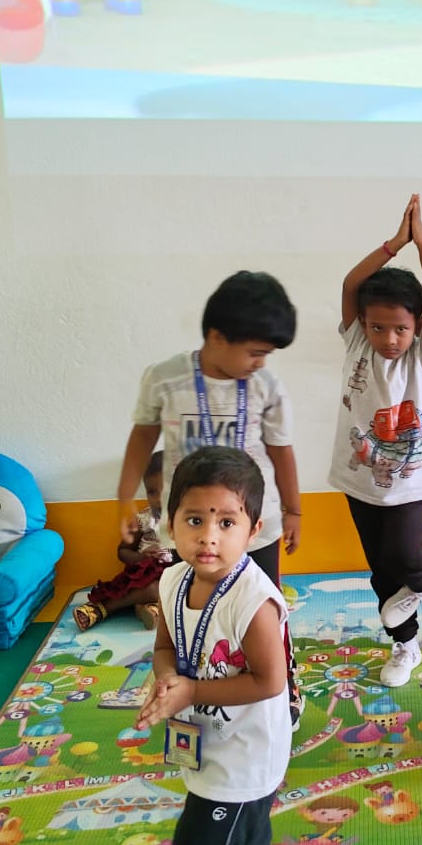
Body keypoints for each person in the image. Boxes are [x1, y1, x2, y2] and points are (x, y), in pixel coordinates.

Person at [115, 270, 303, 724]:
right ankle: (196, 683)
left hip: (252, 531)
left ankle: (283, 687)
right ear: (217, 336)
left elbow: (281, 450)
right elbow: (142, 438)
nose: (261, 362)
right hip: (191, 528)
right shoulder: (165, 379)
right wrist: (123, 500)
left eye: (267, 354)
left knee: (264, 612)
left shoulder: (265, 387)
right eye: (255, 352)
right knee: (190, 608)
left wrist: (294, 508)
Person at [136, 447, 293, 845]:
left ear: (253, 531)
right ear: (171, 524)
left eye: (227, 522)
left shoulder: (253, 602)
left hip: (245, 755)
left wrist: (193, 691)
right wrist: (169, 682)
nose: (209, 536)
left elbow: (270, 681)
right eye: (194, 520)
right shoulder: (171, 581)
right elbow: (165, 648)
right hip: (205, 744)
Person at [330, 194, 422, 688]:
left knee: (411, 564)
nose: (389, 338)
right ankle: (405, 645)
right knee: (381, 572)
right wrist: (389, 246)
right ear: (363, 325)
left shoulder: (421, 356)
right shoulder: (358, 342)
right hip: (358, 481)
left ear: (416, 327)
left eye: (400, 328)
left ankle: (421, 587)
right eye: (378, 327)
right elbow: (351, 284)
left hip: (404, 486)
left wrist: (419, 243)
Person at [76, 450, 170, 631]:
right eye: (151, 492)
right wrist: (140, 557)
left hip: (177, 575)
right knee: (153, 589)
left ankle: (146, 608)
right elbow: (123, 551)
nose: (158, 499)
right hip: (147, 573)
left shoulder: (193, 520)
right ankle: (103, 608)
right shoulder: (142, 519)